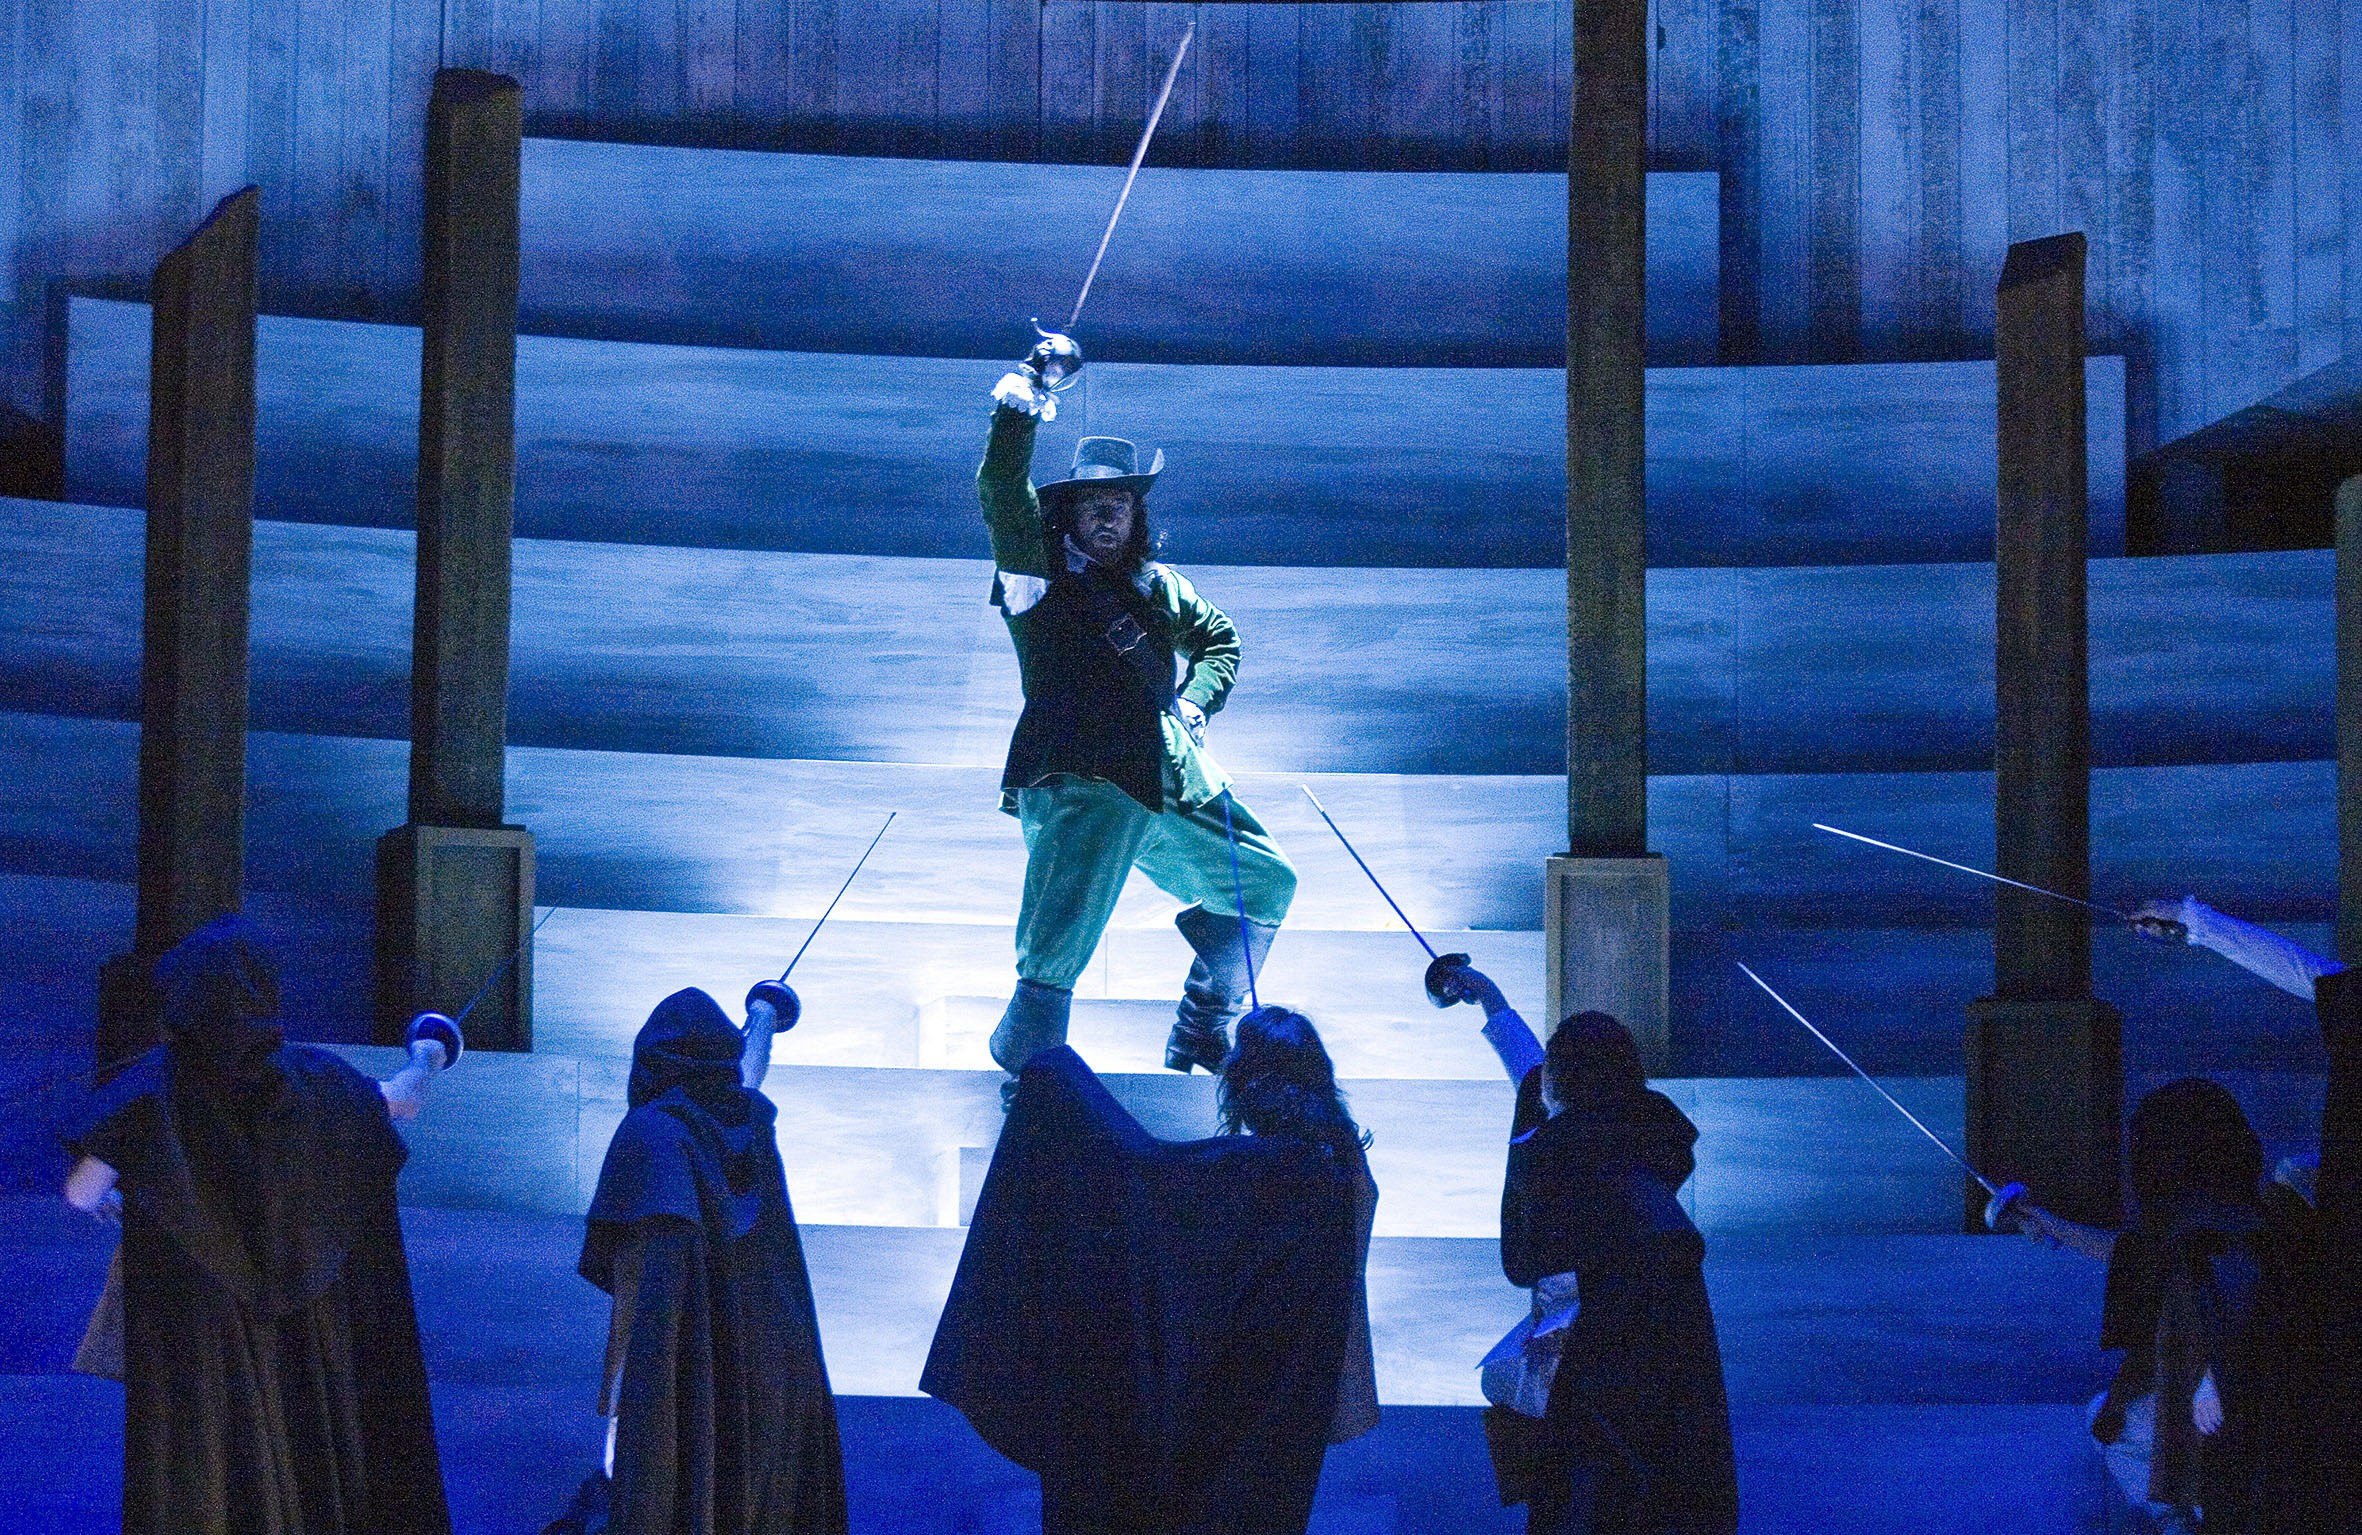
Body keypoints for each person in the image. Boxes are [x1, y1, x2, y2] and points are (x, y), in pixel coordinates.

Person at [61, 915, 454, 1535]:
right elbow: (400, 1099)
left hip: (197, 1328)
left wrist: (125, 1201)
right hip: (309, 1321)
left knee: (210, 1462)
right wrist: (430, 1054)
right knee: (306, 1439)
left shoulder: (149, 1089)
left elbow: (82, 1193)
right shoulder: (321, 1080)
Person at [921, 1006, 1377, 1535]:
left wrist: (1053, 1084)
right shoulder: (1342, 1170)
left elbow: (1145, 1176)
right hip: (1286, 1396)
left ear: (1255, 1083)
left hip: (1218, 1400)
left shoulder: (1263, 1169)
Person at [977, 356, 1296, 1090]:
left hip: (1161, 775)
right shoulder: (1036, 570)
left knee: (1264, 881)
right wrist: (1025, 397)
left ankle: (1200, 1027)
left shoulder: (1159, 587)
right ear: (1071, 512)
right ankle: (1028, 1067)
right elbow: (1000, 489)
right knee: (1058, 945)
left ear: (1136, 510)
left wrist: (1194, 703)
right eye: (1094, 502)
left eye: (1120, 500)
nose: (1109, 512)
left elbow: (1221, 639)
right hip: (1082, 777)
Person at [1430, 959, 1739, 1535]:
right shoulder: (1640, 1135)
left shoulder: (1559, 1162)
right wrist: (1492, 1003)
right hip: (1671, 1392)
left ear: (1559, 1085)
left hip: (1599, 1392)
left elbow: (1529, 1267)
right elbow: (1541, 1078)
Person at [558, 980, 847, 1535]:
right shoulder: (750, 1129)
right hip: (774, 1358)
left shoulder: (649, 1134)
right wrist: (763, 1016)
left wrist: (620, 1401)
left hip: (680, 1361)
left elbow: (642, 1291)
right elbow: (745, 1074)